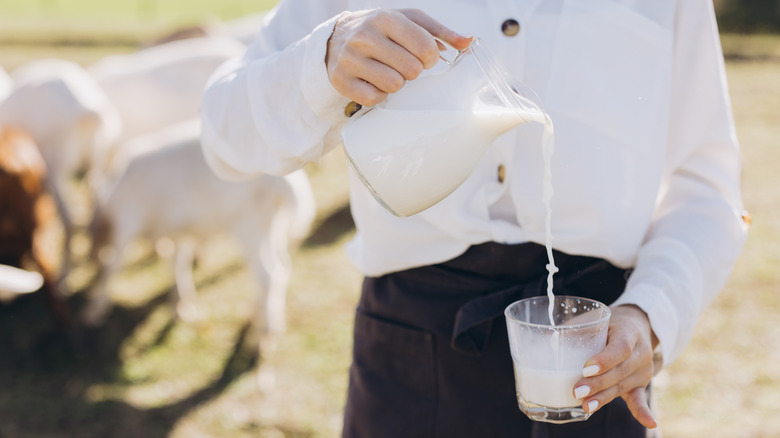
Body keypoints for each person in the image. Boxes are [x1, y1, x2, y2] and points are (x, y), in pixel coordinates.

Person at [199, 1, 748, 436]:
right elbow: (224, 140)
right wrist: (321, 60)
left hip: (599, 354)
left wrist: (650, 315)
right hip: (411, 350)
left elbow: (706, 188)